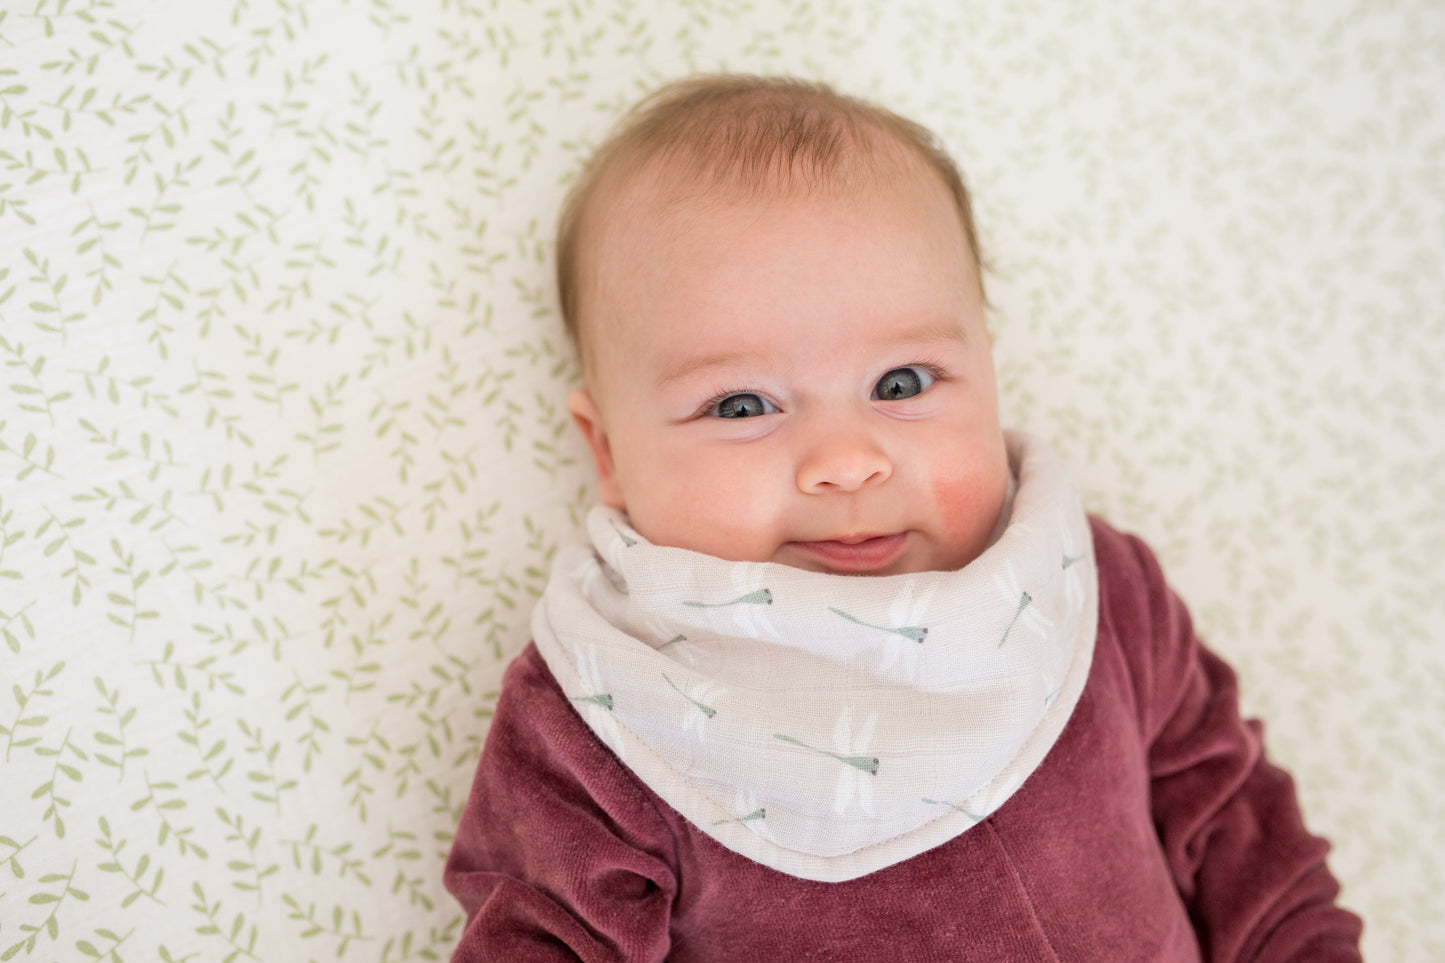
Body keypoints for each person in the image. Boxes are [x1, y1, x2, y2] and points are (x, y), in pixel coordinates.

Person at [443, 74, 1363, 961]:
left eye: (901, 384)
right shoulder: (599, 706)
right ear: (605, 452)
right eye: (740, 405)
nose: (846, 461)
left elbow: (1240, 831)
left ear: (989, 377)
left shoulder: (1092, 591)